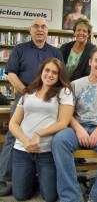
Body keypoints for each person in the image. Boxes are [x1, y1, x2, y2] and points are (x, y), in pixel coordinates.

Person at [0, 17, 65, 197]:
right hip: (24, 95)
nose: (40, 29)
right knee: (14, 135)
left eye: (43, 26)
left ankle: (46, 174)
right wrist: (27, 92)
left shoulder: (55, 52)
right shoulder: (19, 49)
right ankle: (3, 177)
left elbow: (61, 75)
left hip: (51, 97)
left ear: (47, 31)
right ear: (30, 30)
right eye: (36, 26)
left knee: (54, 132)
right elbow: (11, 74)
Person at [51, 47, 97, 202]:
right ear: (90, 62)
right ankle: (71, 197)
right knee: (59, 141)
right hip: (77, 127)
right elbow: (67, 114)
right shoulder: (75, 85)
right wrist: (78, 129)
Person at [9, 58, 74, 202]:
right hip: (22, 149)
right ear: (41, 71)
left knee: (50, 197)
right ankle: (33, 176)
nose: (50, 74)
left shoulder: (64, 92)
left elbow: (63, 122)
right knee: (20, 195)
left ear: (59, 76)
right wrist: (26, 141)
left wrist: (39, 133)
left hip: (46, 151)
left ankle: (40, 178)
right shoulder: (28, 92)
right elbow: (13, 123)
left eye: (55, 72)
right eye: (47, 70)